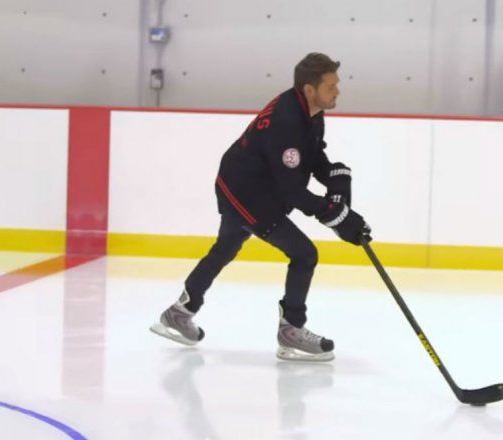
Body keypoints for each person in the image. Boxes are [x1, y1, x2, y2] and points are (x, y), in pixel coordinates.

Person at [151, 53, 371, 361]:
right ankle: (291, 330)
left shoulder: (311, 111)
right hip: (245, 192)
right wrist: (337, 217)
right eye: (331, 86)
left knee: (226, 247)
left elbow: (311, 155)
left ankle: (180, 312)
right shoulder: (287, 121)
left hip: (250, 184)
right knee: (304, 254)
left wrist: (333, 177)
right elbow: (292, 191)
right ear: (310, 89)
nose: (338, 91)